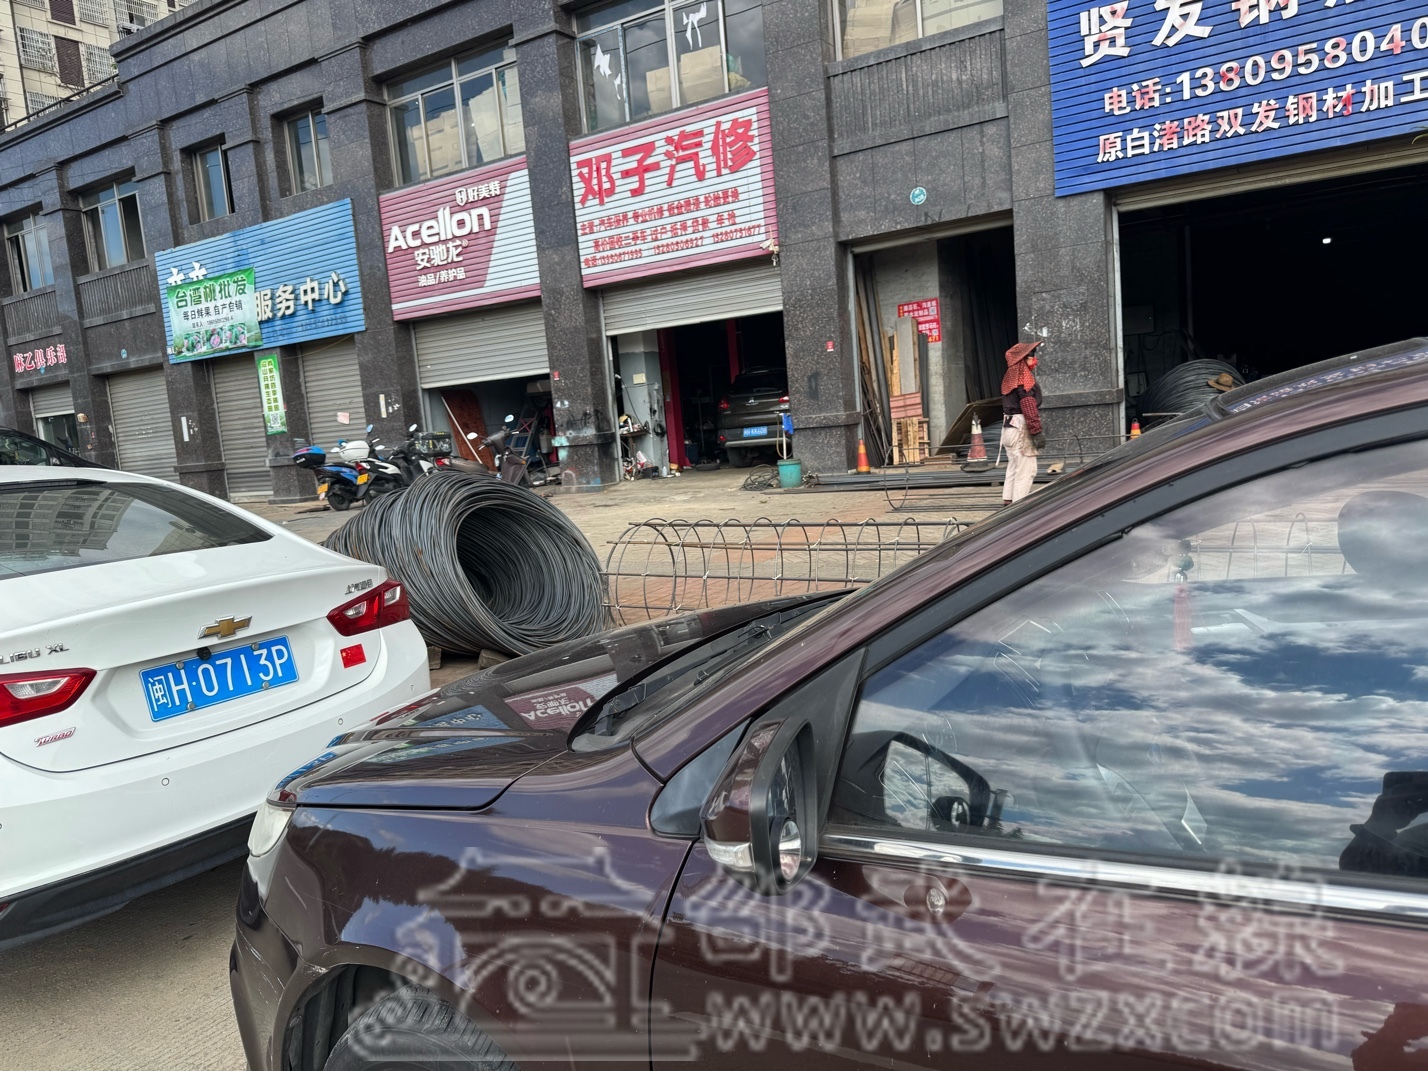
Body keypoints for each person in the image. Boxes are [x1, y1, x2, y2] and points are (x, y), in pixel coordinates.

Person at [1001, 341, 1045, 505]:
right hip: (1020, 427)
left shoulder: (1010, 380)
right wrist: (1036, 432)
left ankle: (1008, 502)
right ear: (1022, 360)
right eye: (1032, 357)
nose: (1035, 361)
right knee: (1026, 470)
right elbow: (1029, 408)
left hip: (1008, 429)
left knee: (1013, 467)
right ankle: (1018, 509)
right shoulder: (1024, 382)